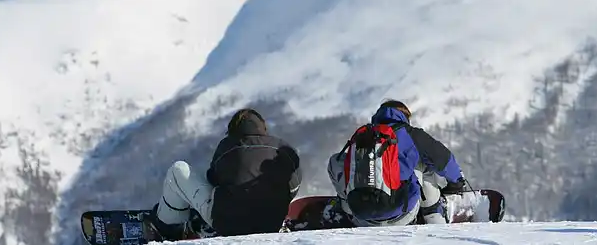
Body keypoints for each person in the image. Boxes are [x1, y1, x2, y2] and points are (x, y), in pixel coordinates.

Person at [149, 108, 303, 239]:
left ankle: (167, 227)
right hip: (271, 223)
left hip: (228, 224)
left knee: (178, 170)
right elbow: (294, 186)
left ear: (232, 131)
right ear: (263, 128)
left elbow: (213, 179)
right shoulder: (283, 149)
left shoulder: (228, 146)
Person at [327, 99, 466, 227]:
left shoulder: (364, 136)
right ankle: (433, 214)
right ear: (404, 117)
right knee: (424, 163)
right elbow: (444, 160)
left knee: (337, 160)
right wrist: (457, 183)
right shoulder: (411, 134)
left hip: (361, 216)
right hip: (403, 215)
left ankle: (345, 208)